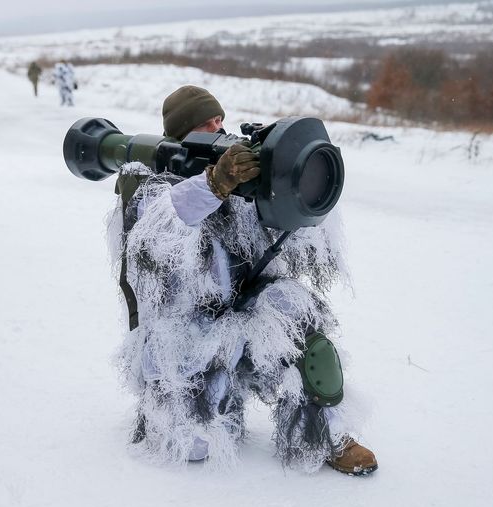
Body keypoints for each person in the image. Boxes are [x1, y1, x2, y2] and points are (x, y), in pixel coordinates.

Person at [107, 85, 377, 475]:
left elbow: (303, 247)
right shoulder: (152, 187)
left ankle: (329, 438)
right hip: (185, 331)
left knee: (301, 322)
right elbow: (159, 236)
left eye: (219, 119)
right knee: (197, 445)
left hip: (246, 311)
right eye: (204, 123)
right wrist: (214, 184)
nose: (218, 127)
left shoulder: (241, 178)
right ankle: (181, 411)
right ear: (182, 135)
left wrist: (294, 184)